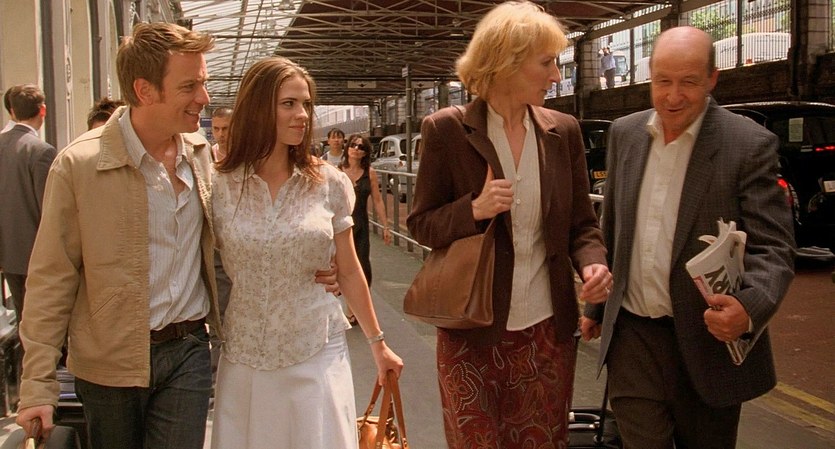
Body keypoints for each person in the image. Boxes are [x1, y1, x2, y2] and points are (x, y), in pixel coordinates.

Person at [13, 23, 337, 449]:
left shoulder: (201, 156)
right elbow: (51, 278)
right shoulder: (81, 166)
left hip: (188, 351)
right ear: (145, 90)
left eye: (203, 82)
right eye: (189, 86)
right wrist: (37, 385)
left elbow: (246, 233)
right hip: (109, 363)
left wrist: (314, 264)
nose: (203, 97)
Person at [406, 2, 611, 447]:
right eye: (547, 62)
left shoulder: (563, 131)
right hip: (471, 332)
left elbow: (582, 224)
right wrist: (474, 209)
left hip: (547, 332)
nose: (556, 75)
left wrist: (592, 263)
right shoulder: (446, 130)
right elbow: (421, 224)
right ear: (507, 63)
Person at [580, 26, 795, 449]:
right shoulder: (625, 133)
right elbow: (613, 227)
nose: (672, 96)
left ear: (712, 79)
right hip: (634, 338)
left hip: (707, 340)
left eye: (688, 82)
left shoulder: (747, 144)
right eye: (662, 81)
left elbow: (774, 248)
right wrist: (596, 305)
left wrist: (748, 308)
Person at [210, 56, 403, 449]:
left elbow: (348, 269)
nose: (302, 115)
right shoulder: (219, 186)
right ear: (257, 108)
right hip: (245, 355)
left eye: (307, 104)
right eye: (289, 103)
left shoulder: (328, 182)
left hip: (316, 348)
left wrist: (378, 342)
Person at [0, 84, 57, 322]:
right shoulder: (41, 151)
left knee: (24, 319)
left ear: (12, 111)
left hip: (8, 253)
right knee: (42, 323)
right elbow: (49, 209)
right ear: (42, 110)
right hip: (36, 255)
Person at [338, 134, 392, 324]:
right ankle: (347, 309)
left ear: (365, 153)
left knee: (362, 267)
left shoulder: (370, 172)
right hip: (340, 226)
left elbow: (377, 200)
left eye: (361, 147)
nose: (356, 149)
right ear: (347, 148)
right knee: (341, 267)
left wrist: (386, 226)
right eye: (353, 145)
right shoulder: (337, 171)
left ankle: (353, 309)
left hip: (360, 224)